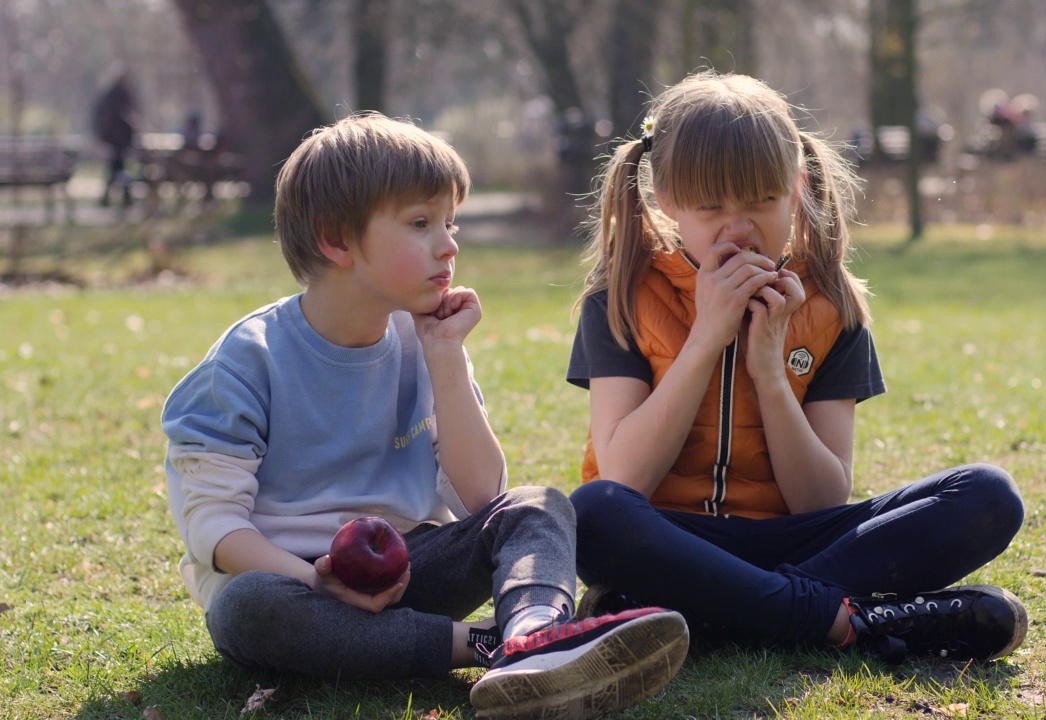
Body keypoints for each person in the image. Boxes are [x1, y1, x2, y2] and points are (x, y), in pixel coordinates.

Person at [161, 112, 688, 719]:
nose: (449, 245)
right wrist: (319, 584)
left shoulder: (425, 341)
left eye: (449, 222)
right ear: (337, 240)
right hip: (292, 588)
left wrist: (444, 356)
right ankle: (492, 647)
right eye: (420, 224)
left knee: (538, 505)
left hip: (411, 572)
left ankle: (535, 636)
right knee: (246, 607)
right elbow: (215, 532)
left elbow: (482, 497)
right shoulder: (246, 363)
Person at [566, 72, 1027, 665]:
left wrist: (769, 371)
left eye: (762, 201)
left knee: (988, 495)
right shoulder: (623, 298)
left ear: (797, 188)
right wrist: (705, 339)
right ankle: (840, 619)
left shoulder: (833, 306)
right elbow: (626, 478)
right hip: (677, 538)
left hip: (801, 540)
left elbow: (821, 499)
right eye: (711, 207)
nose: (739, 227)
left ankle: (708, 614)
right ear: (667, 200)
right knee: (592, 514)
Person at [91, 67, 138, 207]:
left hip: (112, 138)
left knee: (116, 168)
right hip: (119, 138)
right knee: (117, 168)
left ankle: (116, 198)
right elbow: (125, 114)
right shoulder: (119, 95)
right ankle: (121, 198)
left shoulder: (108, 94)